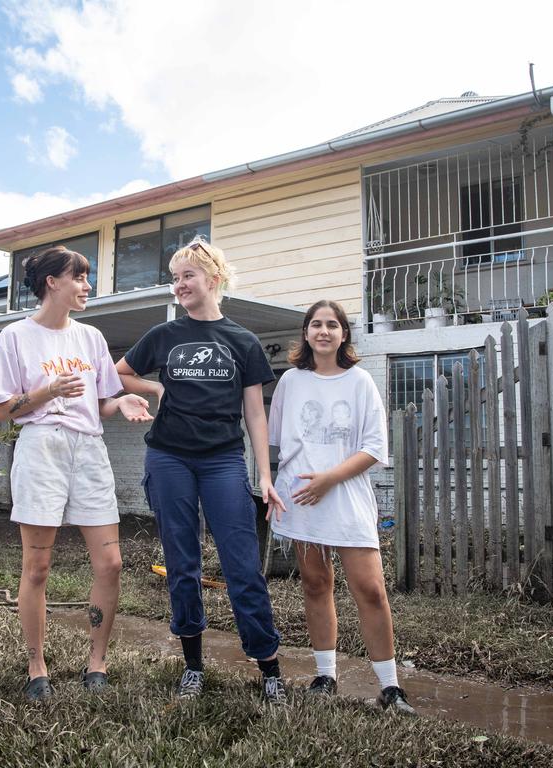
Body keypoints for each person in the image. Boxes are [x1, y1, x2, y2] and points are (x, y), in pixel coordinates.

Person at [116, 235, 288, 703]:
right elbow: (119, 372)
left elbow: (255, 413)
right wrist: (155, 390)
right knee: (182, 561)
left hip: (222, 460)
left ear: (213, 279)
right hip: (169, 457)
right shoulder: (164, 336)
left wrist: (264, 476)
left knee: (241, 562)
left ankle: (268, 666)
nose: (178, 286)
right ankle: (193, 664)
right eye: (174, 279)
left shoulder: (242, 341)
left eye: (186, 276)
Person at [0, 245, 152, 702]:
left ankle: (97, 662)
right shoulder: (15, 337)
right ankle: (37, 666)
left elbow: (101, 403)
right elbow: (2, 411)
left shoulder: (92, 339)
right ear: (52, 282)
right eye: (79, 277)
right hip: (41, 449)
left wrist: (122, 402)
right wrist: (47, 391)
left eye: (87, 277)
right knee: (37, 566)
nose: (87, 285)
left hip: (88, 450)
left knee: (110, 562)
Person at [267, 298, 416, 714]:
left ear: (344, 334)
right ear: (306, 332)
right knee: (316, 585)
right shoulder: (290, 383)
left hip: (346, 496)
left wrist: (330, 478)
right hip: (302, 498)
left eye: (332, 324)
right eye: (316, 324)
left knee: (370, 589)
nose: (324, 331)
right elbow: (282, 443)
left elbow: (374, 449)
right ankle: (325, 675)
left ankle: (390, 686)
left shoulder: (360, 382)